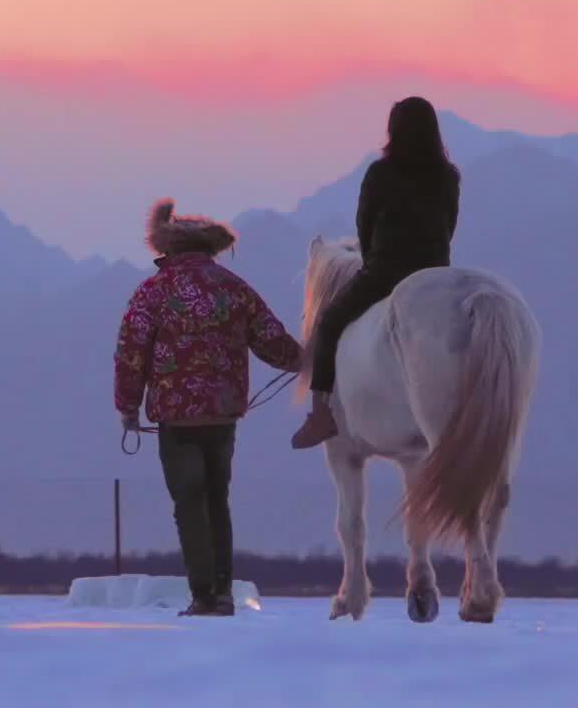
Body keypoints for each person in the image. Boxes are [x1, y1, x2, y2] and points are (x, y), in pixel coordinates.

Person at [114, 198, 302, 617]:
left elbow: (131, 353)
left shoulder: (153, 292)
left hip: (175, 417)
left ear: (169, 248)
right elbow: (272, 340)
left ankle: (203, 596)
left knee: (189, 502)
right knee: (218, 500)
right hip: (223, 415)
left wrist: (128, 408)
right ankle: (222, 593)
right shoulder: (234, 288)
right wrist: (309, 362)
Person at [291, 96, 461, 449]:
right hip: (435, 274)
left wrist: (371, 262)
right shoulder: (447, 175)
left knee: (330, 322)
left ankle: (321, 415)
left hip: (388, 270)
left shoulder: (381, 173)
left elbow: (365, 224)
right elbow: (450, 225)